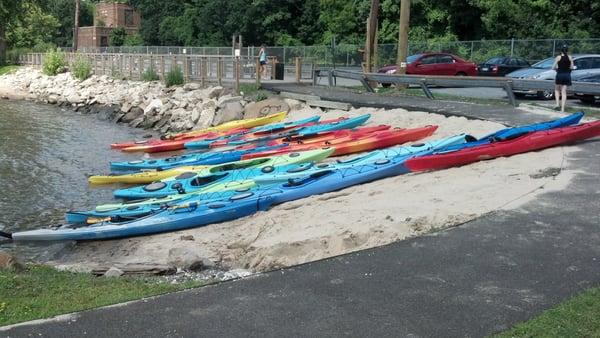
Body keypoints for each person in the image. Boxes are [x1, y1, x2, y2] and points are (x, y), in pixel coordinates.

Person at [552, 45, 574, 113]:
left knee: (556, 90)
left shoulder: (558, 57)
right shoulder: (570, 57)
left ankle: (557, 104)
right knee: (564, 92)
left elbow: (553, 67)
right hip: (567, 75)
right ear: (567, 50)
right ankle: (562, 109)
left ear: (561, 50)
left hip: (560, 75)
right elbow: (572, 67)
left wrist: (557, 69)